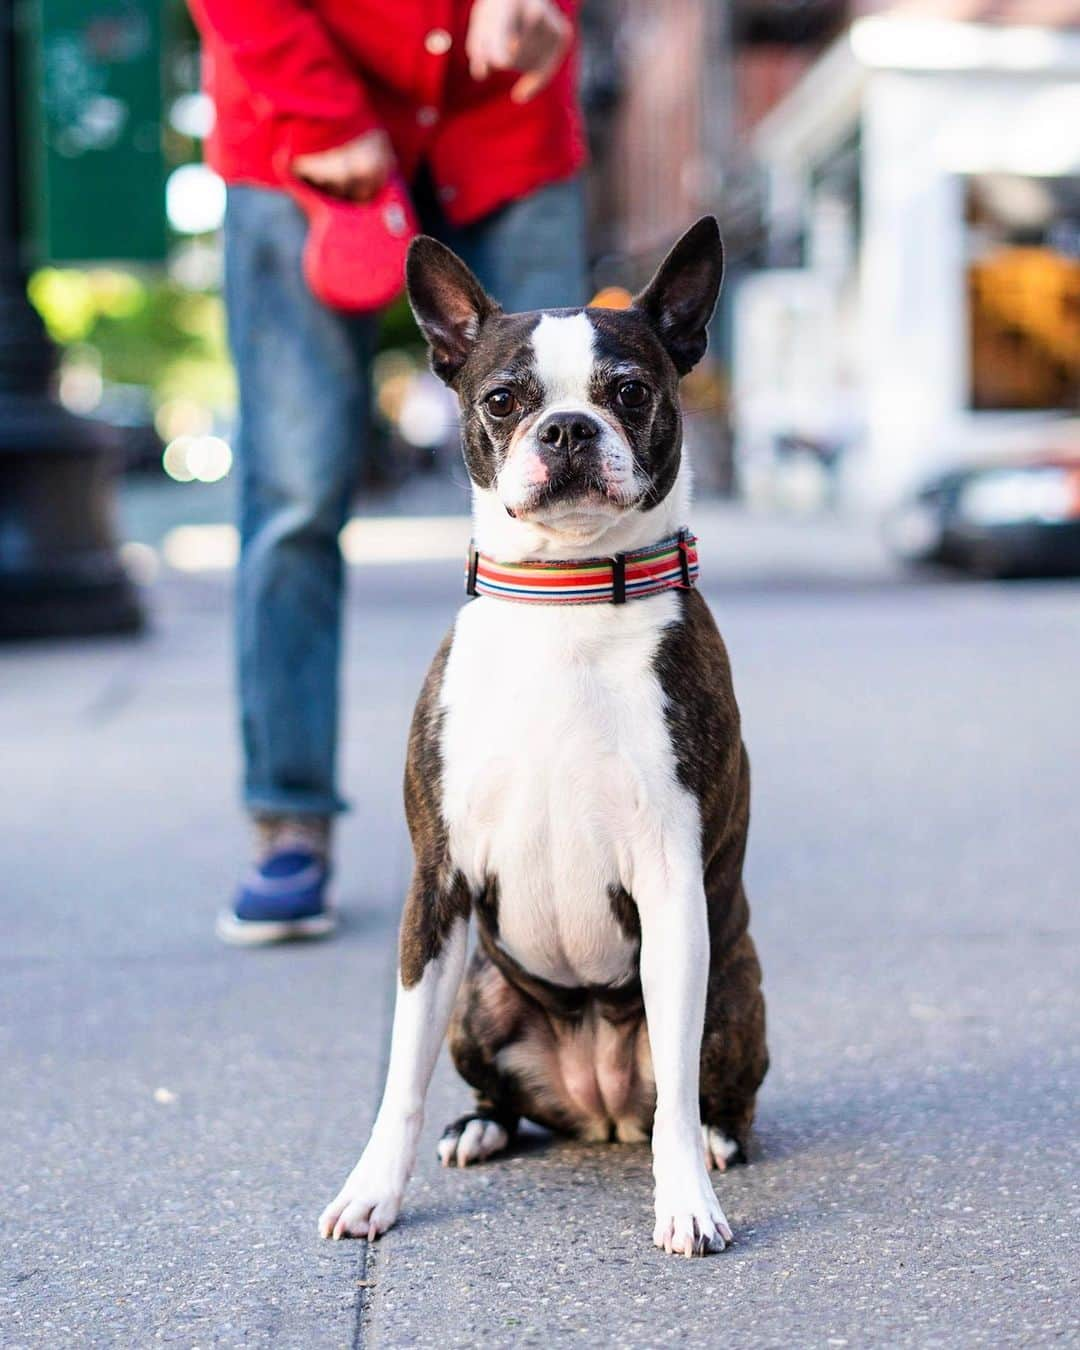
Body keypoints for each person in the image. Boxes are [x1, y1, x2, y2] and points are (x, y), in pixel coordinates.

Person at [187, 0, 588, 943]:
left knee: (566, 479)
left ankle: (573, 816)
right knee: (295, 493)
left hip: (501, 124)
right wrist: (323, 117)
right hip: (298, 121)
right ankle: (291, 820)